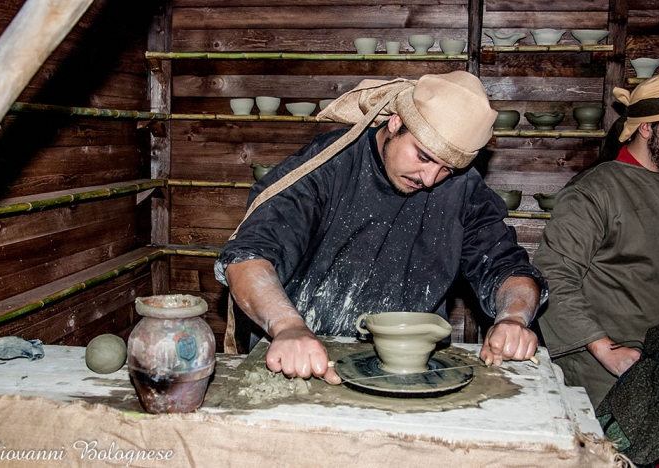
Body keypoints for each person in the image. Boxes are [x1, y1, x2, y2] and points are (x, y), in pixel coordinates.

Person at [215, 72, 548, 384]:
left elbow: (507, 269)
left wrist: (513, 320)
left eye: (446, 168)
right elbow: (247, 258)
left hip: (410, 372)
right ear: (396, 122)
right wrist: (288, 327)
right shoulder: (327, 165)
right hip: (305, 360)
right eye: (423, 157)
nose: (429, 179)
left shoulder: (463, 189)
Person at [533, 72, 659, 407]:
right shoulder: (595, 191)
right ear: (645, 127)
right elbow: (553, 275)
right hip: (610, 373)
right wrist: (606, 350)